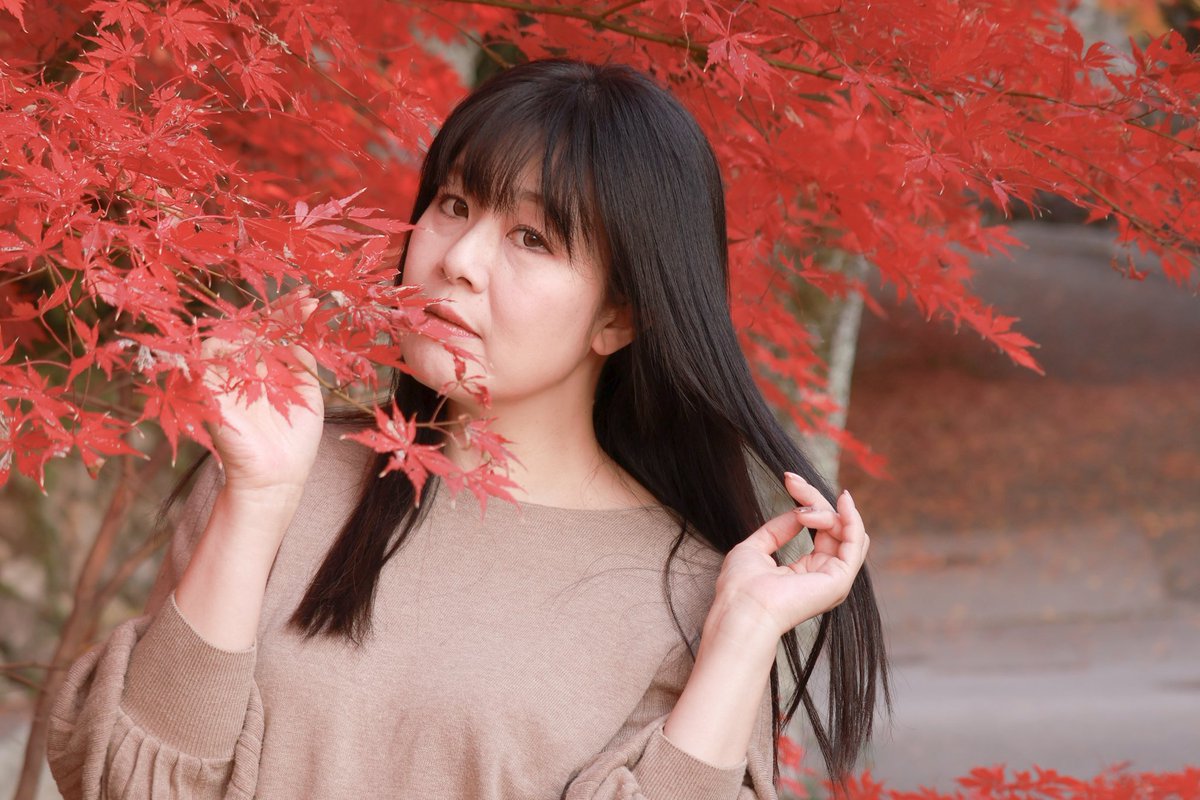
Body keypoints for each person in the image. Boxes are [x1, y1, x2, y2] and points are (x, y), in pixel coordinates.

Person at [46, 58, 890, 799]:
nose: (459, 258)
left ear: (620, 318)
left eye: (531, 236)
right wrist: (258, 499)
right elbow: (127, 787)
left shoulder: (686, 591)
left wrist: (741, 638)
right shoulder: (283, 476)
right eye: (454, 203)